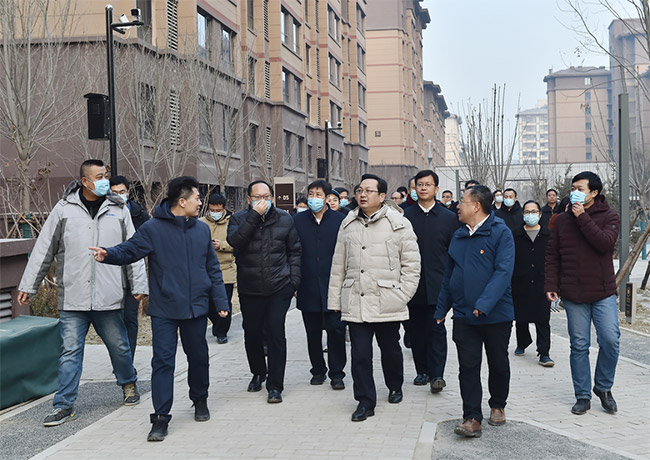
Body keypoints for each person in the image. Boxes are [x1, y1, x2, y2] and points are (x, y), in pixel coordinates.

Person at [91, 176, 230, 442]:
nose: (200, 202)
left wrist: (221, 302)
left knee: (199, 357)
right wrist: (109, 254)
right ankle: (161, 417)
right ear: (182, 201)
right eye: (197, 198)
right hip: (165, 308)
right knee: (163, 362)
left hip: (196, 307)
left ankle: (200, 399)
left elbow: (212, 269)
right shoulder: (154, 228)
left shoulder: (202, 230)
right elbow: (131, 250)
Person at [18, 159, 147, 427]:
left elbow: (132, 249)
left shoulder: (118, 209)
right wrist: (29, 285)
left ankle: (128, 382)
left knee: (120, 347)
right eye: (99, 177)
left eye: (106, 175)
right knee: (70, 352)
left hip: (108, 296)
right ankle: (64, 404)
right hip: (73, 297)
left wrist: (139, 285)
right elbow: (44, 248)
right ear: (85, 182)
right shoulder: (64, 209)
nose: (105, 181)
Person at [328, 174, 420, 422]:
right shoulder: (348, 222)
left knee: (390, 349)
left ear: (381, 196)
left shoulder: (399, 223)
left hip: (387, 299)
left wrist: (401, 296)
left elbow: (412, 265)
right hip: (356, 299)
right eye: (360, 190)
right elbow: (338, 265)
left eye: (369, 191)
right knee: (360, 355)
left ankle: (395, 385)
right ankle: (365, 402)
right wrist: (335, 301)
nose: (363, 194)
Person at [435, 184, 515, 438]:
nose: (458, 206)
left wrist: (484, 304)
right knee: (468, 367)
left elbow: (503, 272)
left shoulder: (501, 233)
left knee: (498, 363)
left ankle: (498, 404)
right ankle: (471, 417)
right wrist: (441, 308)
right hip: (463, 314)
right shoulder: (459, 235)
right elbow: (449, 276)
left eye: (462, 201)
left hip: (496, 315)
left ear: (476, 206)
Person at [545, 171, 620, 416]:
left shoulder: (609, 216)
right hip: (573, 293)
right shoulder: (561, 220)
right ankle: (583, 395)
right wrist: (551, 285)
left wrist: (582, 217)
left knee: (610, 340)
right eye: (573, 188)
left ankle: (603, 387)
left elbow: (605, 244)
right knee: (579, 345)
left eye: (580, 188)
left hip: (603, 292)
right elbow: (552, 255)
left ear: (594, 193)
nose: (575, 192)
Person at [227, 180, 301, 404]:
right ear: (249, 200)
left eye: (267, 197)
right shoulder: (238, 219)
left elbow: (294, 251)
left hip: (279, 286)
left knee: (276, 333)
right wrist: (254, 217)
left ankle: (275, 386)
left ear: (273, 198)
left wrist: (293, 282)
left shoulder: (284, 219)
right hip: (250, 287)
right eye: (258, 197)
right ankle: (258, 372)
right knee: (252, 334)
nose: (263, 201)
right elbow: (235, 242)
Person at [404, 170, 458, 394]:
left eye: (428, 184)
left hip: (439, 284)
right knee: (416, 330)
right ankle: (422, 371)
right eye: (419, 184)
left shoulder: (449, 218)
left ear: (436, 189)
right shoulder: (405, 217)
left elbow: (454, 253)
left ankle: (437, 375)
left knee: (436, 329)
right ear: (414, 188)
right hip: (411, 284)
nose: (423, 188)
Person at [294, 180, 347, 389]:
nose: (314, 198)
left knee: (336, 331)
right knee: (312, 333)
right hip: (307, 285)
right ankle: (317, 370)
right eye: (311, 194)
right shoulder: (298, 221)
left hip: (333, 285)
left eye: (318, 194)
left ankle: (337, 373)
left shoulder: (340, 221)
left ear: (326, 198)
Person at [109, 175, 150, 362]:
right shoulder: (104, 212)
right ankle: (119, 358)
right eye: (114, 192)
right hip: (110, 273)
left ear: (128, 192)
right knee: (113, 320)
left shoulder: (139, 214)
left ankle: (128, 360)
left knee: (130, 319)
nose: (119, 195)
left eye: (122, 192)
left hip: (132, 273)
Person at [512, 200, 554, 367]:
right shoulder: (515, 234)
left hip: (542, 281)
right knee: (520, 317)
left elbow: (553, 259)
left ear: (540, 214)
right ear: (523, 215)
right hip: (520, 280)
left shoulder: (548, 235)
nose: (531, 215)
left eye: (534, 211)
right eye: (527, 212)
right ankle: (522, 342)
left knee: (542, 318)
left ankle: (544, 352)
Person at [199, 193, 237, 344]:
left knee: (224, 303)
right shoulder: (200, 223)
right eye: (212, 210)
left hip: (226, 269)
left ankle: (222, 332)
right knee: (208, 304)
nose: (215, 213)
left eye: (218, 210)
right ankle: (216, 323)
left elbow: (238, 243)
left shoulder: (231, 222)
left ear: (223, 209)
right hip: (205, 270)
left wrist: (222, 245)